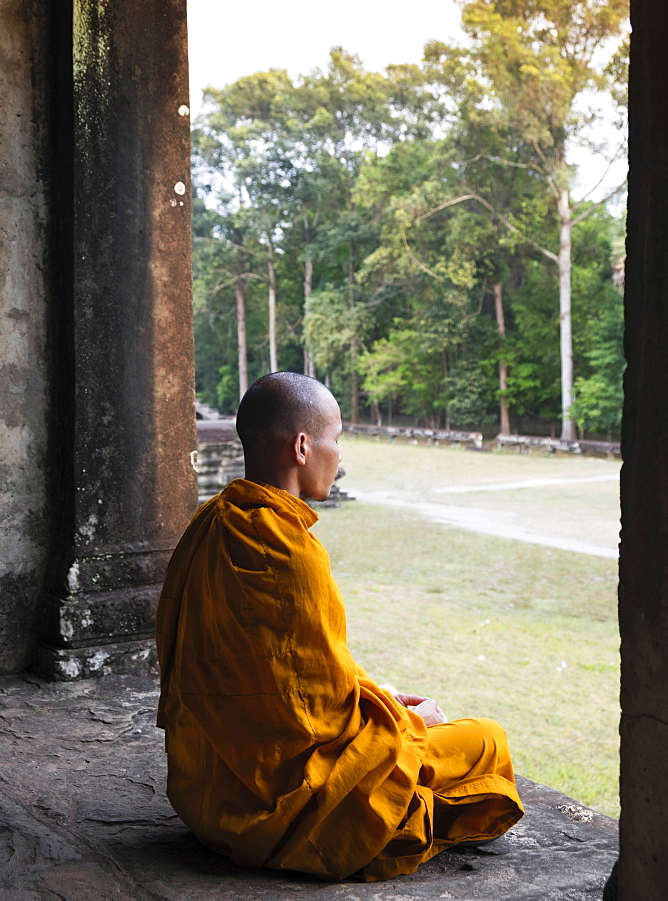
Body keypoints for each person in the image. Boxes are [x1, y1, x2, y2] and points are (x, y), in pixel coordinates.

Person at [156, 372, 524, 882]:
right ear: (303, 446)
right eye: (337, 439)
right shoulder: (288, 551)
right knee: (487, 740)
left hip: (206, 792)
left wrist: (385, 695)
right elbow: (322, 718)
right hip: (281, 800)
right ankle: (376, 819)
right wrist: (411, 723)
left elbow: (299, 678)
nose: (340, 456)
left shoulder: (210, 522)